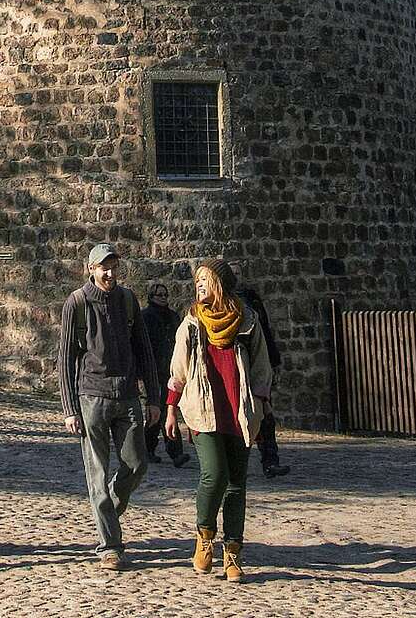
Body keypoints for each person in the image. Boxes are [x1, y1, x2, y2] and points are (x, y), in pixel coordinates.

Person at [165, 259, 273, 584]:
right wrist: (171, 409)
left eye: (205, 282)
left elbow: (261, 369)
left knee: (237, 483)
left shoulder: (248, 321)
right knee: (215, 474)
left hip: (239, 411)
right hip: (203, 409)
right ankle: (204, 536)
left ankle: (233, 553)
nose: (199, 288)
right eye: (197, 283)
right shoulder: (192, 323)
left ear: (220, 285)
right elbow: (178, 369)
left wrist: (263, 409)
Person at [58, 243, 161, 570]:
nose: (110, 273)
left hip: (128, 395)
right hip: (92, 397)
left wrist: (154, 398)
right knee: (97, 475)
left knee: (137, 465)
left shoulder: (128, 300)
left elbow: (144, 350)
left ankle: (107, 512)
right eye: (104, 267)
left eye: (114, 266)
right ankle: (110, 546)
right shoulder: (77, 302)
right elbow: (65, 360)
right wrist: (69, 408)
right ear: (90, 269)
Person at [234, 280, 290, 478]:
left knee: (266, 416)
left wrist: (271, 362)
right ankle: (235, 465)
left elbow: (264, 336)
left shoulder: (254, 304)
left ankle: (270, 460)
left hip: (256, 371)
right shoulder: (225, 310)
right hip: (236, 374)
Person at [141, 282, 190, 468]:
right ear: (152, 297)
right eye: (159, 295)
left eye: (165, 295)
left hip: (170, 369)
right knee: (159, 409)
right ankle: (173, 451)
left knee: (165, 408)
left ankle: (151, 449)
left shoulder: (173, 317)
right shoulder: (146, 317)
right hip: (153, 370)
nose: (162, 298)